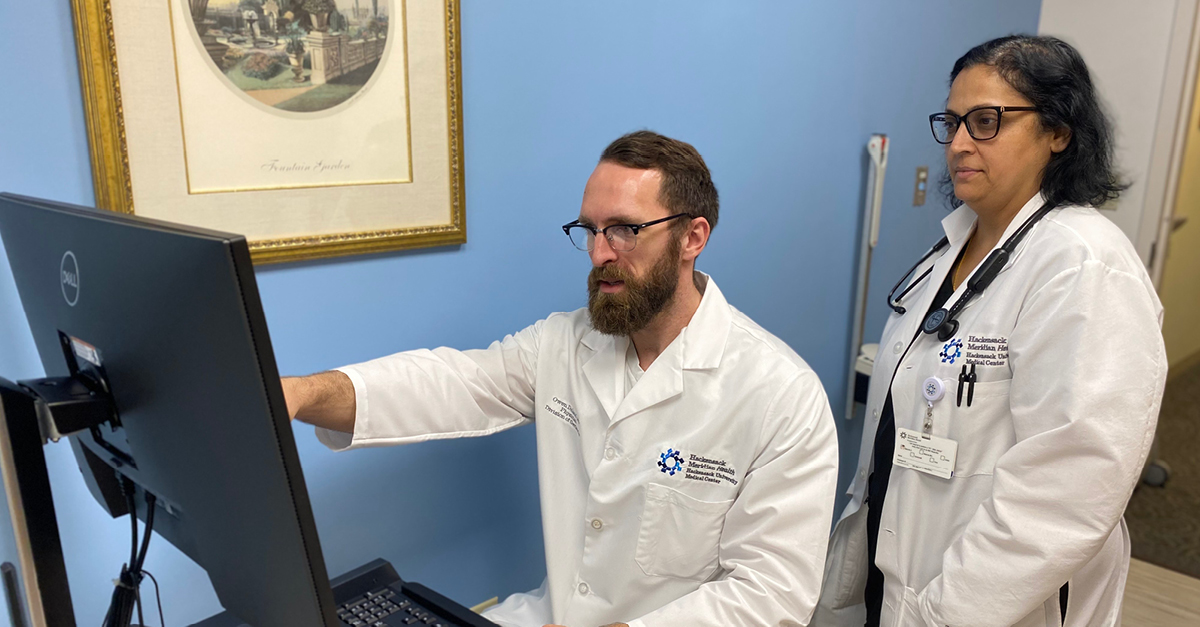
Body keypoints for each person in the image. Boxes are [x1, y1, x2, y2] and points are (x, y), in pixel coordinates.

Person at [284, 131, 840, 627]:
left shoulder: (780, 395)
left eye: (624, 229)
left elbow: (772, 594)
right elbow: (451, 384)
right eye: (590, 230)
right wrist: (302, 393)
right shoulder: (565, 343)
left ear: (693, 237)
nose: (600, 253)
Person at [814, 36, 1167, 627]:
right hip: (904, 568)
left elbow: (1068, 489)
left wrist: (944, 614)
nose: (957, 145)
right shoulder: (950, 251)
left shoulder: (1083, 263)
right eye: (951, 123)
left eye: (985, 122)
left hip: (984, 604)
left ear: (1058, 131)